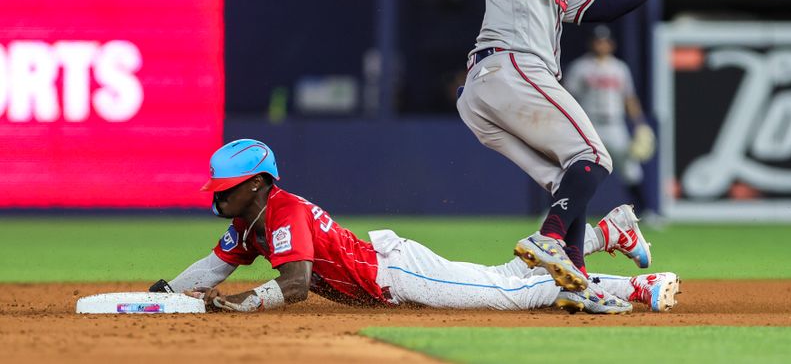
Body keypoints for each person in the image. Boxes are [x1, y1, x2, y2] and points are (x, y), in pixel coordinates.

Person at [455, 0, 690, 302]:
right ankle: (549, 239)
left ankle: (576, 279)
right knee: (596, 157)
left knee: (568, 178)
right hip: (511, 66)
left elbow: (606, 6)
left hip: (484, 93)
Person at [149, 139, 680, 314]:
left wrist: (241, 306)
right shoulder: (250, 219)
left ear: (259, 183)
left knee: (511, 294)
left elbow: (294, 285)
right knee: (506, 278)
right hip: (384, 272)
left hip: (396, 274)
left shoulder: (282, 210)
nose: (217, 195)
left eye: (228, 187)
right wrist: (171, 291)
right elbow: (216, 264)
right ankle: (615, 245)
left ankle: (610, 250)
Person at [563, 25, 658, 219]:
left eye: (605, 41)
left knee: (630, 169)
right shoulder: (580, 67)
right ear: (592, 43)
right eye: (598, 40)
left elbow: (629, 98)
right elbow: (568, 97)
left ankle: (646, 212)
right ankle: (559, 209)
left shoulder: (619, 68)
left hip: (615, 124)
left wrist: (640, 123)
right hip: (590, 124)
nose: (601, 44)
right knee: (576, 168)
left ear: (611, 44)